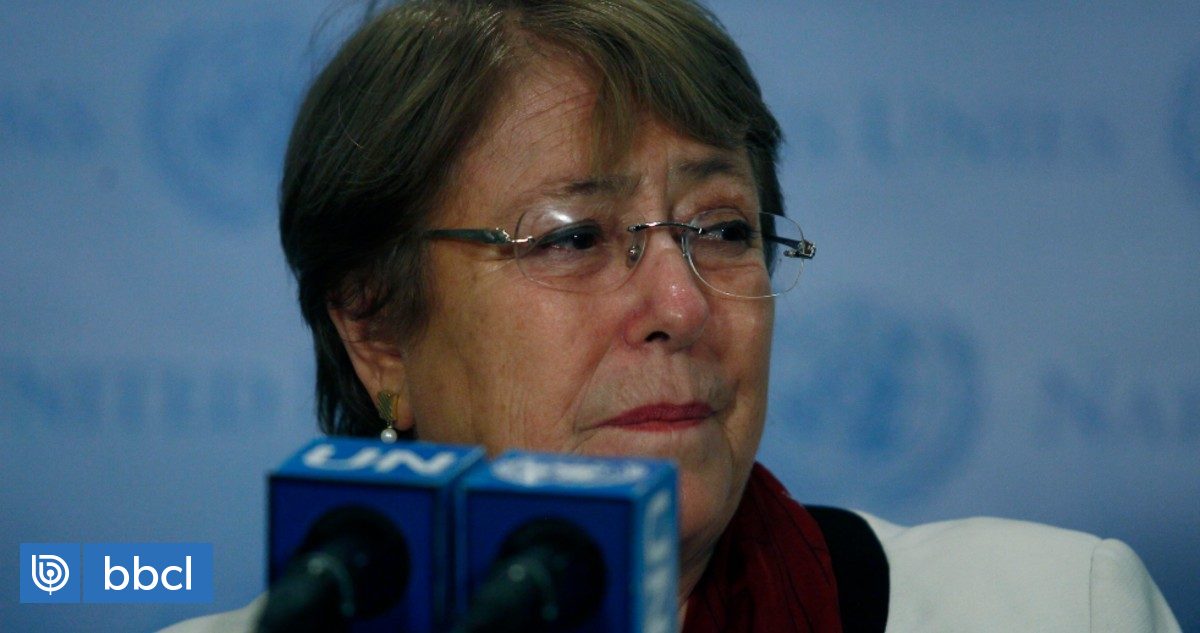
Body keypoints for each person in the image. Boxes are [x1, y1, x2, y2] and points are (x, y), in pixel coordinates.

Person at [163, 0, 1181, 631]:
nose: (683, 306)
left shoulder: (1056, 608)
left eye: (723, 229)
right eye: (573, 238)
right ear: (377, 328)